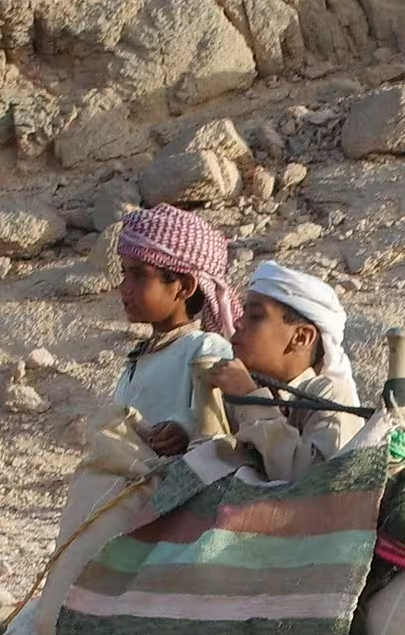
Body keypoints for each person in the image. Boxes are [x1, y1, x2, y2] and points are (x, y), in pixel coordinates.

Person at [202, 261, 365, 483]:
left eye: (256, 316)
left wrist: (251, 400)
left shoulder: (329, 394)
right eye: (244, 313)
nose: (238, 323)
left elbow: (316, 481)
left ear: (301, 337)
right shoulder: (236, 391)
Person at [111, 206, 241, 457]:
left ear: (185, 287)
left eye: (139, 275)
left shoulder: (207, 348)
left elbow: (227, 418)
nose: (124, 287)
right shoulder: (138, 359)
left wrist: (185, 428)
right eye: (124, 272)